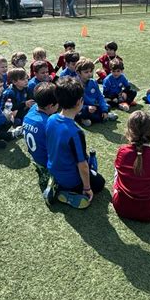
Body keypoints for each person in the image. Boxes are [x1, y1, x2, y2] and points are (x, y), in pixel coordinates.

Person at [46, 77, 106, 209]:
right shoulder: (75, 132)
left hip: (52, 168)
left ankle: (56, 182)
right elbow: (82, 165)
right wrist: (87, 187)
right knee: (100, 183)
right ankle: (68, 192)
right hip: (70, 178)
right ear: (80, 102)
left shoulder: (50, 118)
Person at [23, 82, 59, 193]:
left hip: (36, 157)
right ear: (50, 106)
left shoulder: (33, 109)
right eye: (58, 103)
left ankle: (43, 169)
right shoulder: (47, 124)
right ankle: (56, 184)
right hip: (47, 161)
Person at [75, 57, 117, 127]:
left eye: (91, 71)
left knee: (107, 107)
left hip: (94, 107)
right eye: (86, 72)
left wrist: (104, 110)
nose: (89, 74)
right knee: (81, 113)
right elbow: (74, 104)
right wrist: (86, 107)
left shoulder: (93, 82)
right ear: (78, 72)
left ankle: (103, 115)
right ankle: (82, 119)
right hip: (82, 109)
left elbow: (100, 96)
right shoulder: (75, 85)